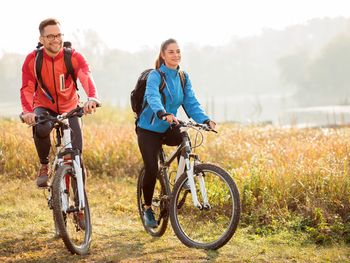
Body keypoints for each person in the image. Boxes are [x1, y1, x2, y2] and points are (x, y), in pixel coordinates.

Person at [136, 38, 216, 228]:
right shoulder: (156, 76)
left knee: (184, 135)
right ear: (163, 55)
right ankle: (147, 208)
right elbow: (152, 97)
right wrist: (162, 113)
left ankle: (184, 179)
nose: (176, 55)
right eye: (171, 52)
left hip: (168, 125)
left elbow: (191, 102)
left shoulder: (183, 77)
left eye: (178, 51)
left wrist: (205, 119)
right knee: (152, 168)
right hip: (149, 128)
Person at [20, 18, 101, 187]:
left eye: (58, 35)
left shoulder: (73, 56)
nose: (56, 39)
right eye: (50, 36)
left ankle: (79, 203)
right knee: (41, 128)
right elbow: (27, 88)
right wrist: (28, 111)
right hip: (44, 107)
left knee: (76, 156)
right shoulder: (33, 60)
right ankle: (44, 165)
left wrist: (92, 97)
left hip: (70, 107)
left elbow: (85, 75)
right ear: (41, 39)